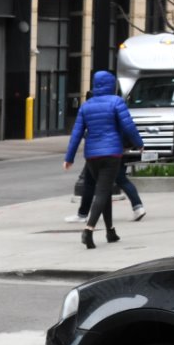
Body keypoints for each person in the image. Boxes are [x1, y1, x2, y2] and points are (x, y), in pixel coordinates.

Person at [63, 69, 144, 249]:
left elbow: (76, 133)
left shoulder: (86, 105)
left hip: (92, 155)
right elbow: (128, 125)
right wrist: (139, 143)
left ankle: (110, 231)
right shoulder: (116, 102)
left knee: (105, 191)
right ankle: (89, 229)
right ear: (111, 85)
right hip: (112, 153)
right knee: (102, 192)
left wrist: (69, 157)